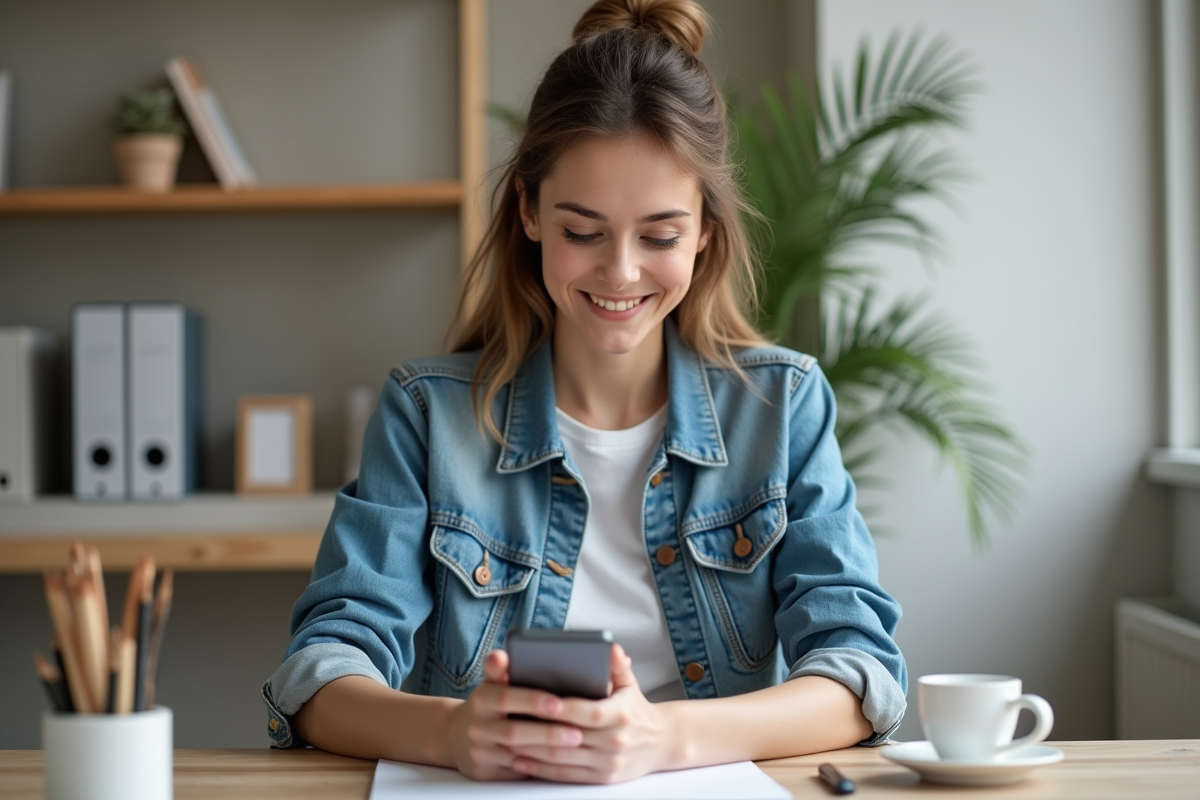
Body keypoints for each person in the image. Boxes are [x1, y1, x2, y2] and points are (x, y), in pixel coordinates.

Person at [262, 0, 906, 784]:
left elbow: (858, 674)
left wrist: (660, 739)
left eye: (661, 236)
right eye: (583, 231)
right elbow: (320, 675)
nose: (622, 272)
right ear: (529, 212)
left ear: (706, 230)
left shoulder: (783, 407)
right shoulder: (427, 416)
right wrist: (455, 732)